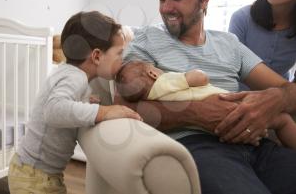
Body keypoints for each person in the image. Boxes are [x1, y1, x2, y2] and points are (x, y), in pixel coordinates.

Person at [116, 0, 296, 193]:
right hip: (199, 147)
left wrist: (274, 101)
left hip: (257, 144)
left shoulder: (229, 44)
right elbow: (123, 105)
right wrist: (195, 113)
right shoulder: (146, 40)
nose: (166, 8)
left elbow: (286, 89)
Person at [7, 11, 142, 194]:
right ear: (96, 56)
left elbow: (61, 100)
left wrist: (85, 100)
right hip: (34, 176)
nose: (123, 60)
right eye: (119, 54)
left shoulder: (68, 71)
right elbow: (53, 109)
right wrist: (103, 111)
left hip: (36, 171)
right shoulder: (75, 78)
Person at [116, 60, 296, 149]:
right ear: (153, 74)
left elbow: (287, 91)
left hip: (219, 129)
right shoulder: (165, 80)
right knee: (283, 120)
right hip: (229, 107)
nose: (166, 7)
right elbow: (200, 78)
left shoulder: (151, 95)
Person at [229, 0, 296, 84]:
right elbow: (235, 69)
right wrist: (286, 92)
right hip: (239, 97)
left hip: (283, 101)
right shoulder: (241, 18)